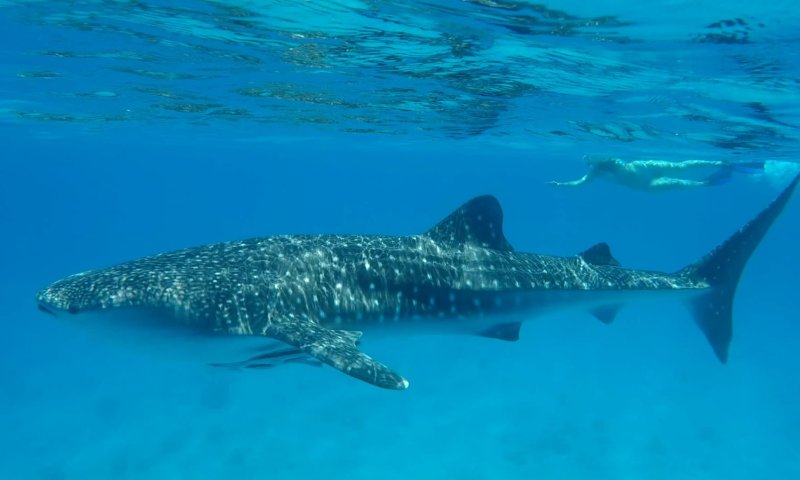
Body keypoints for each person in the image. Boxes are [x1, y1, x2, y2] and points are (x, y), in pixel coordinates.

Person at [547, 156, 765, 191]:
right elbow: (579, 183)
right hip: (646, 182)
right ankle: (711, 179)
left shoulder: (606, 164)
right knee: (682, 180)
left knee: (681, 168)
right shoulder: (595, 172)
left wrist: (561, 185)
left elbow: (580, 182)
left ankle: (721, 163)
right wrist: (560, 184)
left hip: (647, 169)